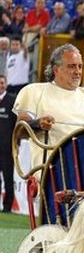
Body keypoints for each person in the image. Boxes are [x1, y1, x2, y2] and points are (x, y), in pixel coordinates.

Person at [13, 44, 84, 169]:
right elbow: (20, 130)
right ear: (56, 69)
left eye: (80, 66)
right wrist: (38, 124)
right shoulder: (33, 91)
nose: (78, 72)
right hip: (51, 173)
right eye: (71, 66)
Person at [0, 75, 16, 212]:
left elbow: (17, 123)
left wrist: (15, 143)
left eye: (2, 83)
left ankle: (7, 207)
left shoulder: (12, 100)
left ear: (6, 84)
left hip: (7, 148)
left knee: (8, 178)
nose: (0, 85)